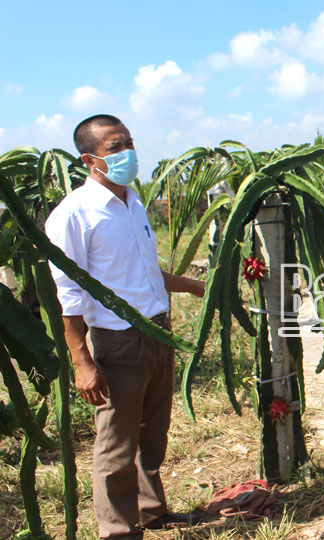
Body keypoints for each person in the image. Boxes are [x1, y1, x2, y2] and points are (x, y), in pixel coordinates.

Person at [45, 114, 206, 540]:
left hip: (158, 332)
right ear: (90, 158)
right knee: (116, 446)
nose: (128, 153)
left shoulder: (134, 203)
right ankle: (118, 532)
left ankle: (151, 512)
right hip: (118, 342)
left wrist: (192, 286)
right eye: (115, 147)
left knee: (153, 434)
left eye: (129, 142)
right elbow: (70, 294)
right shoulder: (75, 214)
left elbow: (144, 271)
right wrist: (82, 361)